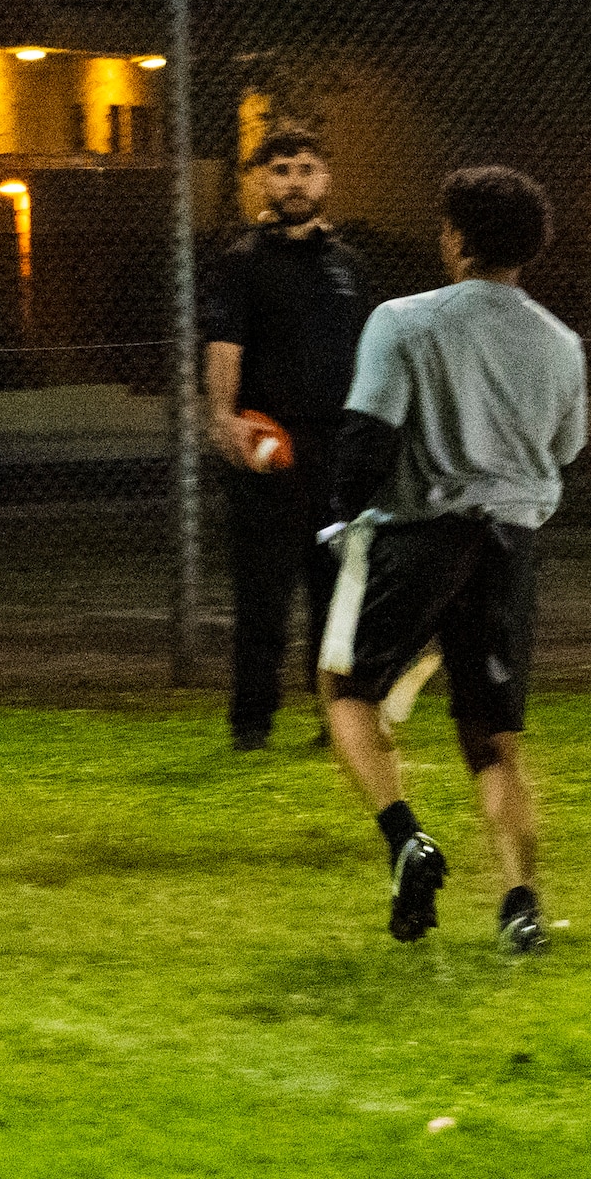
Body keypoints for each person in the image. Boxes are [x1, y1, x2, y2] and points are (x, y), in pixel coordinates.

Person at [318, 165, 586, 953]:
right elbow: (564, 448)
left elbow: (366, 439)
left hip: (422, 534)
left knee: (345, 686)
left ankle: (405, 836)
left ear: (459, 239)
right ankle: (520, 903)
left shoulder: (403, 320)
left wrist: (345, 512)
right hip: (512, 543)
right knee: (492, 734)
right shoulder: (562, 342)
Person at [202, 125, 371, 751]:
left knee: (339, 594)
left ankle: (339, 722)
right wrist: (222, 416)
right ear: (261, 180)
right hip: (270, 454)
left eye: (306, 168)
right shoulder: (242, 261)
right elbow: (224, 345)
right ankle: (252, 725)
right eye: (281, 170)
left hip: (336, 453)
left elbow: (370, 357)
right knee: (263, 595)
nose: (295, 181)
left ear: (325, 178)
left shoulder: (347, 265)